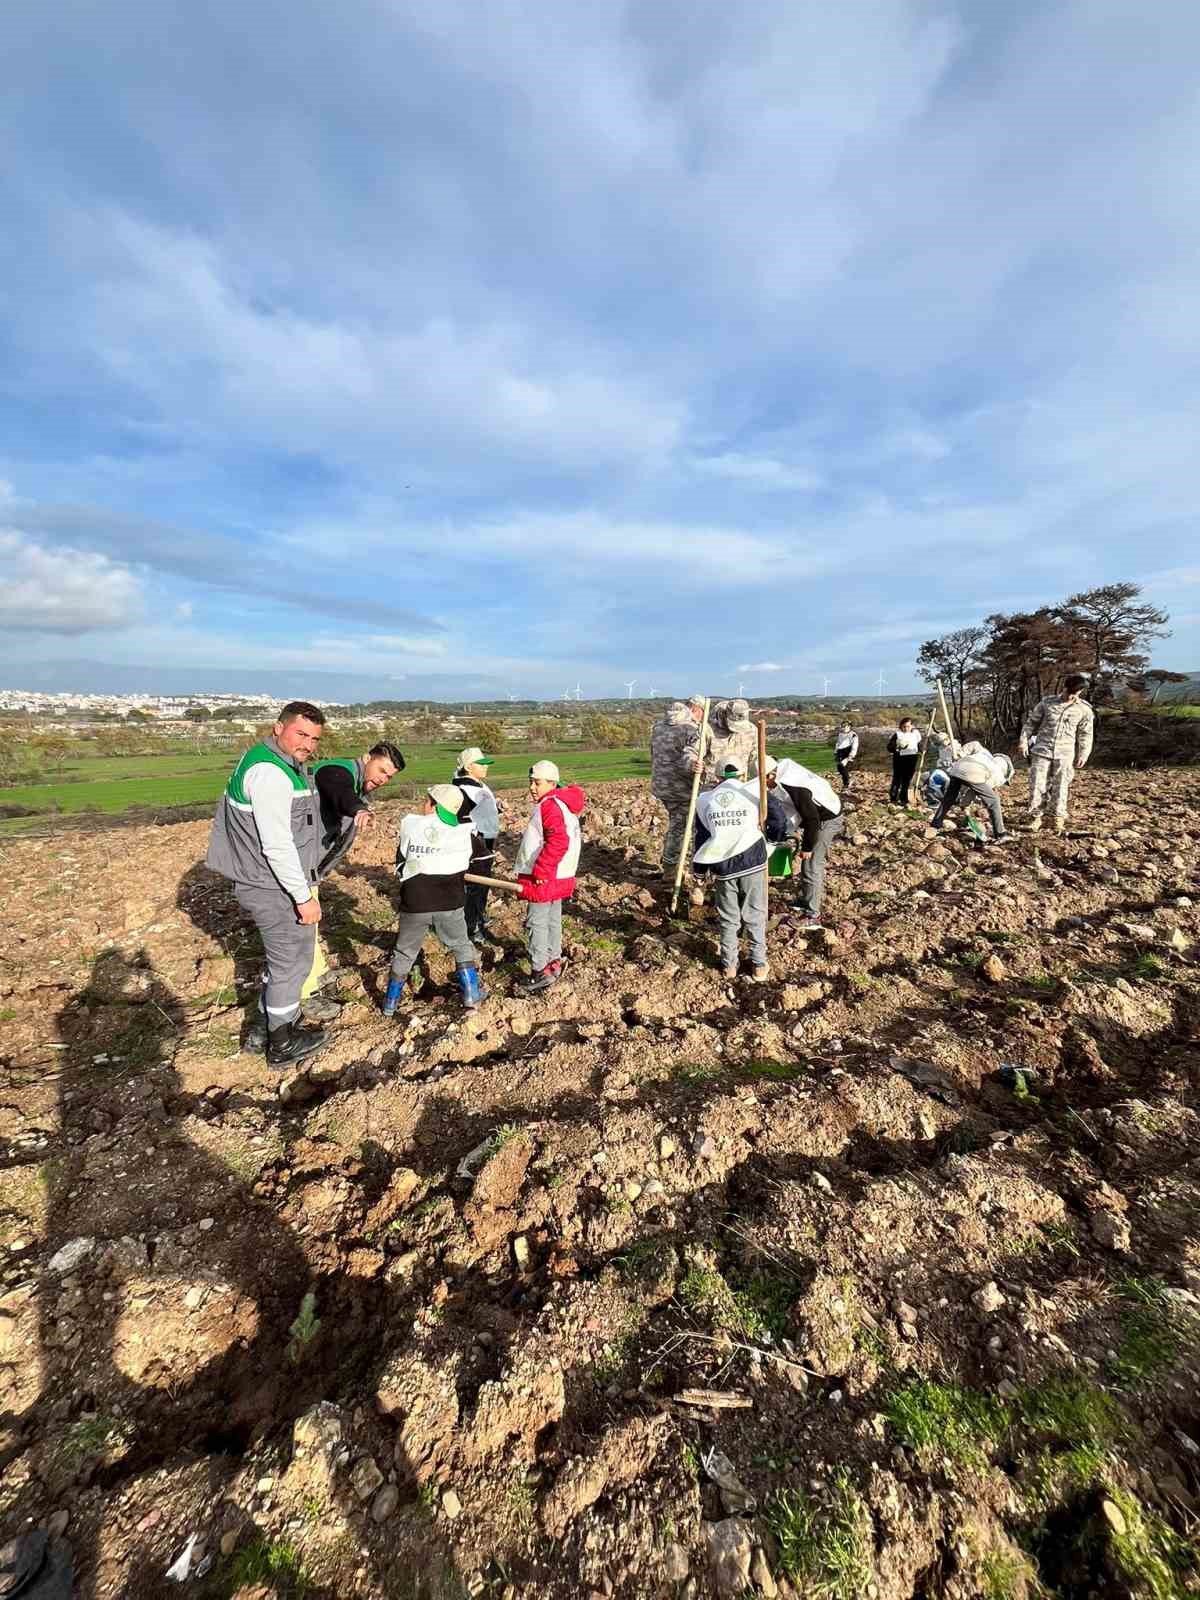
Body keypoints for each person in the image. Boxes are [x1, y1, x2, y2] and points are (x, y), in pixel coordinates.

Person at [205, 701, 329, 1067]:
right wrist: (303, 896)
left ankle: (264, 1029)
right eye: (300, 733)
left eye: (314, 738)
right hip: (273, 885)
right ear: (279, 727)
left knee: (281, 962)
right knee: (293, 963)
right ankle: (283, 1043)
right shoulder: (271, 774)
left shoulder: (270, 761)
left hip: (263, 881)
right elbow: (277, 845)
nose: (307, 744)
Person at [302, 742, 405, 1019]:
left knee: (309, 927)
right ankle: (304, 995)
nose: (382, 779)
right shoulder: (338, 770)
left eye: (388, 777)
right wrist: (358, 808)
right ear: (365, 758)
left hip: (310, 870)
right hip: (297, 868)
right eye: (381, 770)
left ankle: (318, 972)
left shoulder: (357, 785)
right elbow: (338, 788)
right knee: (299, 932)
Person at [382, 784, 483, 1016]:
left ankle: (390, 1003)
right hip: (451, 903)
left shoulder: (411, 824)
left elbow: (400, 864)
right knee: (460, 945)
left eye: (426, 801)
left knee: (404, 951)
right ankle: (471, 994)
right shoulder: (463, 833)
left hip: (415, 903)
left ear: (433, 806)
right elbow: (480, 858)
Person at [694, 760, 789, 980]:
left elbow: (701, 839)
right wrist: (772, 841)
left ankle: (729, 967)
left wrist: (699, 871)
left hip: (722, 866)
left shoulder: (704, 800)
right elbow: (779, 819)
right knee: (755, 914)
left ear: (717, 777)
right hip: (753, 862)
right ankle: (759, 965)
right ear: (743, 774)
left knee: (728, 918)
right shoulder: (753, 791)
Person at [514, 760, 587, 994]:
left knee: (536, 921)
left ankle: (538, 971)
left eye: (537, 783)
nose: (532, 788)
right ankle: (553, 962)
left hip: (546, 876)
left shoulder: (550, 806)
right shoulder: (564, 805)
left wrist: (541, 871)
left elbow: (558, 842)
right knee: (553, 919)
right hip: (561, 874)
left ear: (552, 783)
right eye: (531, 782)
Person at [765, 755, 844, 930]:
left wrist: (808, 847)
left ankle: (813, 915)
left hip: (827, 818)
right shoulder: (782, 771)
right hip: (818, 813)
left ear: (771, 775)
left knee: (811, 864)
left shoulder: (795, 786)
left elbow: (812, 820)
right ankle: (806, 899)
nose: (765, 788)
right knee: (807, 865)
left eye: (764, 782)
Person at [1020, 673, 1095, 835]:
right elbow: (1030, 723)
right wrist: (1023, 741)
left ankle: (1057, 819)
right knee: (1037, 785)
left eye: (1076, 694)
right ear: (1065, 688)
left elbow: (1086, 733)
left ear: (1080, 692)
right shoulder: (1047, 703)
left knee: (1061, 786)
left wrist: (1084, 753)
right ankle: (1035, 817)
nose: (1071, 696)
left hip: (1065, 753)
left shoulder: (1084, 710)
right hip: (1042, 750)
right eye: (1070, 692)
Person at [452, 745, 502, 939]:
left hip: (485, 838)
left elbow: (480, 812)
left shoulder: (477, 784)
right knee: (476, 884)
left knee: (483, 882)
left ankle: (478, 917)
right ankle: (471, 927)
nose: (485, 767)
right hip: (476, 842)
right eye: (481, 764)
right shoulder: (464, 789)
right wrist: (474, 837)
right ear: (469, 766)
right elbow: (459, 817)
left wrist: (497, 809)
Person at [650, 700, 701, 880]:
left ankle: (673, 867)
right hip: (681, 788)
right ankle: (673, 870)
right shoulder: (690, 729)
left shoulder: (657, 727)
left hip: (661, 786)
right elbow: (690, 759)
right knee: (683, 828)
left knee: (677, 824)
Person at [930, 739, 1011, 844]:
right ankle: (1000, 834)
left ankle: (936, 823)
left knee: (949, 798)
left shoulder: (985, 755)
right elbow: (974, 791)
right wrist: (965, 805)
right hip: (972, 772)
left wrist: (965, 805)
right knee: (994, 801)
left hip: (957, 767)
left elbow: (975, 744)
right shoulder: (999, 774)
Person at [887, 718, 922, 806]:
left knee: (907, 780)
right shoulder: (897, 735)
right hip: (899, 759)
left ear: (911, 726)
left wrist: (922, 751)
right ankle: (893, 797)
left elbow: (918, 744)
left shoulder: (915, 734)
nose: (906, 728)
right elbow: (889, 748)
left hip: (912, 759)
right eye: (904, 726)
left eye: (908, 726)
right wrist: (897, 748)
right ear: (901, 726)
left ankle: (904, 798)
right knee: (897, 779)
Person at [834, 722, 859, 790]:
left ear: (849, 727)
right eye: (843, 726)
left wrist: (850, 756)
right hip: (840, 752)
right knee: (840, 768)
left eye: (846, 726)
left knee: (842, 766)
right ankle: (847, 781)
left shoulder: (853, 735)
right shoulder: (840, 734)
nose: (844, 728)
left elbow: (855, 746)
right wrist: (835, 752)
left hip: (848, 752)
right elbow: (838, 743)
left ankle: (847, 783)